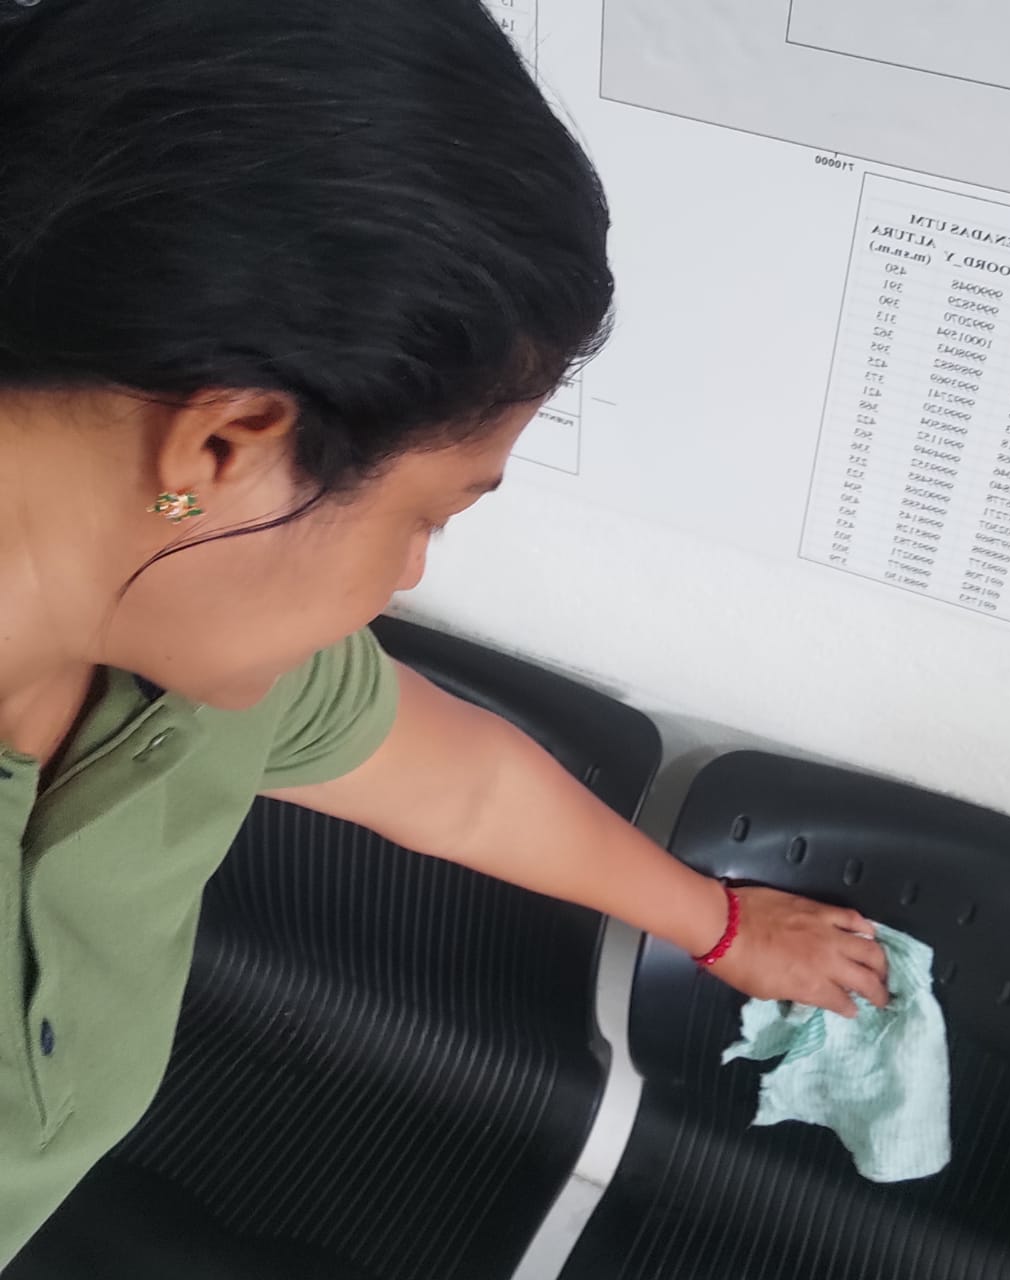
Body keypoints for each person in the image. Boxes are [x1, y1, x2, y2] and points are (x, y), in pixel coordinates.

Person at [0, 0, 889, 1262]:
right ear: (226, 445)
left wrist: (722, 924)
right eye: (428, 515)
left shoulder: (177, 634)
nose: (407, 576)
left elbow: (457, 782)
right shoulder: (189, 598)